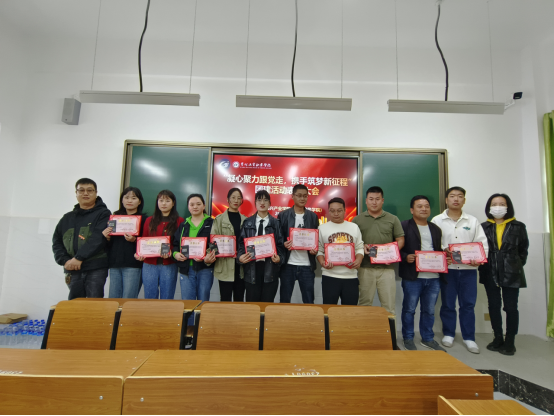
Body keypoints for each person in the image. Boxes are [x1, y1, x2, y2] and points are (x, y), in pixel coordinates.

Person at [431, 186, 488, 354]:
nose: (456, 199)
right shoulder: (437, 220)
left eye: (460, 196)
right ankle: (448, 334)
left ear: (464, 200)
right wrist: (444, 250)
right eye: (452, 196)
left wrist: (479, 259)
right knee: (448, 304)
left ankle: (469, 338)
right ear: (446, 200)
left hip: (468, 270)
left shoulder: (472, 221)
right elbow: (432, 243)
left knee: (468, 305)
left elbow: (482, 244)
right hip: (448, 269)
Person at [479, 194, 529, 356]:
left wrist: (513, 264)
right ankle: (498, 338)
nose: (498, 207)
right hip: (489, 270)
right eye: (494, 204)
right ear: (489, 207)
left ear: (508, 207)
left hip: (511, 272)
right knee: (493, 306)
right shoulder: (483, 227)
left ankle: (510, 341)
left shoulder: (518, 226)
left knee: (511, 307)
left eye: (502, 204)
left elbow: (523, 250)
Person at [399, 195, 448, 352]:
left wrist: (446, 256)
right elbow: (395, 249)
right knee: (409, 309)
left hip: (434, 277)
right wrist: (406, 257)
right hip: (413, 277)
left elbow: (439, 250)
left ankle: (427, 338)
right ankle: (408, 338)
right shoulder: (404, 226)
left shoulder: (435, 229)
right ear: (412, 210)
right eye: (419, 206)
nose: (424, 209)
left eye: (426, 206)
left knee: (429, 311)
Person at [52, 178, 111, 299]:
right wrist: (65, 261)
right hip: (72, 268)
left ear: (96, 193)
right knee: (75, 304)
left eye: (90, 190)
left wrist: (79, 258)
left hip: (95, 267)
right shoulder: (67, 218)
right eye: (81, 190)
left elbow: (98, 238)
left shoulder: (104, 214)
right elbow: (57, 242)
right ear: (76, 193)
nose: (85, 193)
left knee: (94, 304)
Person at [352, 186, 405, 315]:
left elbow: (400, 240)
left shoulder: (393, 219)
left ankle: (389, 329)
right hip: (365, 268)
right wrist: (362, 247)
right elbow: (352, 243)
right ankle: (364, 329)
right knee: (364, 305)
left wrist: (391, 255)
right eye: (371, 199)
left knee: (388, 306)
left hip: (387, 269)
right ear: (366, 201)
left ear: (382, 200)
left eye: (377, 199)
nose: (374, 202)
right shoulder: (357, 220)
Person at [173, 194, 216, 323]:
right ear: (188, 207)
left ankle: (201, 329)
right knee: (188, 303)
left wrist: (207, 256)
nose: (195, 207)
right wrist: (176, 254)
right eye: (192, 204)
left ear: (204, 206)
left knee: (203, 301)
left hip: (205, 269)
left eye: (198, 204)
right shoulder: (183, 224)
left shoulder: (212, 223)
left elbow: (215, 245)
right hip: (186, 269)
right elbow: (175, 244)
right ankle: (189, 331)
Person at [237, 190, 285, 302]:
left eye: (265, 200)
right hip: (251, 269)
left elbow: (280, 246)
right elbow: (241, 245)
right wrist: (240, 257)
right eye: (259, 200)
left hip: (270, 269)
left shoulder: (276, 223)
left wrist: (279, 258)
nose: (262, 203)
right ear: (255, 203)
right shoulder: (247, 223)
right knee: (252, 305)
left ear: (270, 203)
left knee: (267, 305)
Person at [137, 190, 184, 299]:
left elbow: (180, 242)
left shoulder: (179, 221)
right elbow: (144, 240)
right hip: (149, 264)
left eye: (167, 201)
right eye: (161, 200)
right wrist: (139, 253)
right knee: (149, 296)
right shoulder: (149, 220)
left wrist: (170, 251)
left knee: (167, 297)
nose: (163, 203)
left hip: (169, 264)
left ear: (173, 203)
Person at [317, 197, 365, 305]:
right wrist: (322, 263)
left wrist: (358, 260)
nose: (336, 213)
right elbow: (319, 250)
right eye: (332, 211)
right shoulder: (322, 228)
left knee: (349, 311)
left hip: (350, 276)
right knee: (329, 310)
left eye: (339, 210)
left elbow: (359, 247)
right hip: (330, 275)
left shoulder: (354, 227)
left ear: (344, 211)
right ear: (329, 211)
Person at [103, 187, 148, 299]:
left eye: (133, 198)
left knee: (128, 298)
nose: (129, 200)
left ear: (139, 201)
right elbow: (109, 243)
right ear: (122, 200)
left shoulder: (145, 220)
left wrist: (134, 240)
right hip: (115, 263)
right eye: (126, 197)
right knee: (113, 298)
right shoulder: (114, 218)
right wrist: (106, 237)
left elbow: (147, 244)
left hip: (133, 264)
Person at [278, 184, 319, 304]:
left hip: (307, 265)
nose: (302, 198)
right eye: (299, 195)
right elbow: (278, 239)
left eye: (305, 196)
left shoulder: (313, 216)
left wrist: (315, 249)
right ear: (293, 196)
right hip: (288, 264)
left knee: (309, 301)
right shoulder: (283, 215)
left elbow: (316, 239)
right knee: (284, 300)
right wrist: (284, 244)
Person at [211, 188, 247, 302]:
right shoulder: (219, 219)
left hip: (241, 267)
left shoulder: (246, 220)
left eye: (239, 198)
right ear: (228, 199)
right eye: (233, 197)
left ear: (241, 201)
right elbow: (213, 243)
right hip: (224, 266)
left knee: (239, 299)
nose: (236, 200)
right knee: (225, 299)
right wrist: (213, 253)